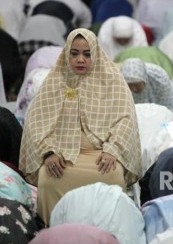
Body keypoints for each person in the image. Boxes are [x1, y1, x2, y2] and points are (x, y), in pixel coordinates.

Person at [19, 28, 142, 224]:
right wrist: (48, 152)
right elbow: (36, 122)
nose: (80, 60)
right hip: (62, 156)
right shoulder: (55, 81)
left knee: (114, 177)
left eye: (87, 54)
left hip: (101, 156)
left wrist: (113, 150)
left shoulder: (113, 81)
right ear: (66, 54)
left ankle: (107, 230)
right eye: (74, 54)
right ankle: (55, 230)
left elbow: (125, 120)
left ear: (96, 54)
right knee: (47, 179)